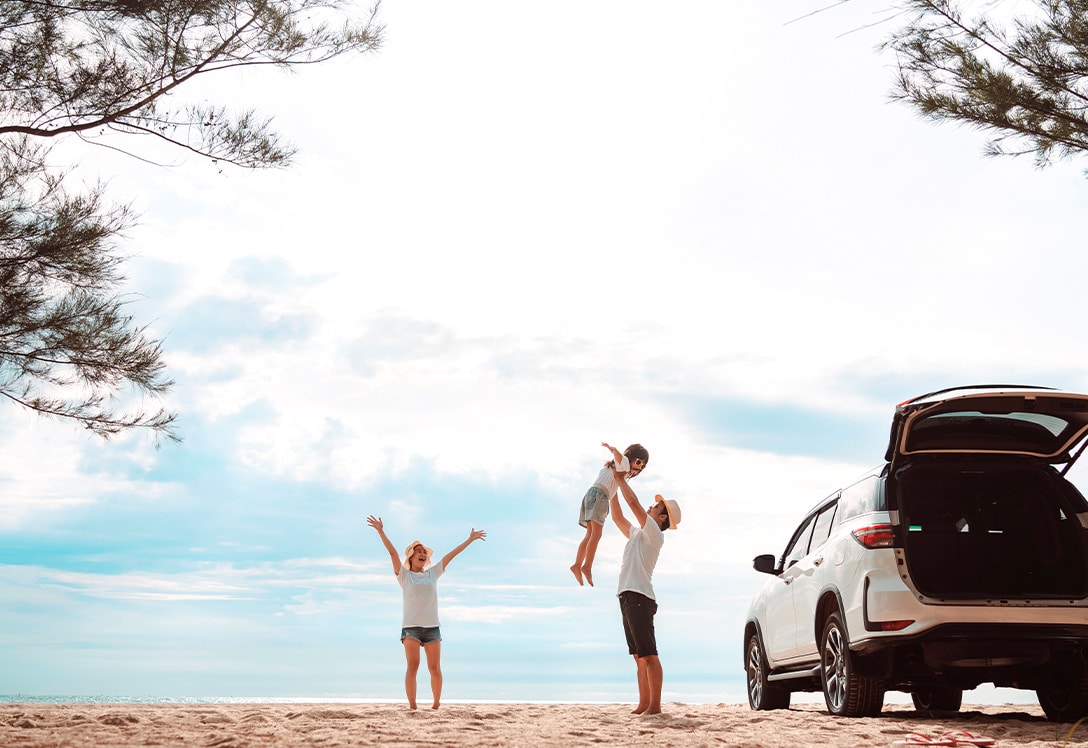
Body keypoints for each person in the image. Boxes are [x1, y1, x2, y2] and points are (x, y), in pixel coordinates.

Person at [366, 515, 487, 710]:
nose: (423, 554)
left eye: (424, 552)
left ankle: (436, 705)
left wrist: (470, 539)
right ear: (411, 557)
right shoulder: (404, 576)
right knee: (413, 666)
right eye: (418, 552)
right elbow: (392, 553)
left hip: (432, 629)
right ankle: (413, 707)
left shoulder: (433, 573)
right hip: (411, 629)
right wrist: (380, 530)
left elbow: (450, 556)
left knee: (434, 669)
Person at [609, 471, 681, 715]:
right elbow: (618, 516)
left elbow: (633, 503)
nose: (650, 506)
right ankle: (644, 705)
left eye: (656, 506)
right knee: (639, 656)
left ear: (662, 517)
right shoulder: (638, 533)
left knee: (649, 655)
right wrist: (611, 488)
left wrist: (620, 479)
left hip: (640, 598)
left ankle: (655, 707)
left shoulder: (654, 533)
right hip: (628, 596)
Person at [569, 442, 649, 587]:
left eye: (642, 466)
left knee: (589, 535)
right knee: (597, 535)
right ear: (630, 457)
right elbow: (621, 457)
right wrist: (613, 449)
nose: (639, 467)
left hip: (591, 494)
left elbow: (613, 488)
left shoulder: (610, 468)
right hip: (600, 496)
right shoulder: (623, 464)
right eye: (638, 462)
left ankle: (577, 564)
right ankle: (587, 566)